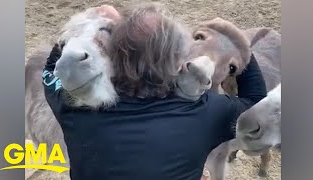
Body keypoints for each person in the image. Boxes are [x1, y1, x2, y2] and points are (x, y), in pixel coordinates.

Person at [42, 3, 267, 180]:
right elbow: (255, 102)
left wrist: (91, 22)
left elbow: (51, 70)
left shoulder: (74, 106)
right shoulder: (205, 112)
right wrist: (238, 44)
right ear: (179, 64)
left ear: (112, 56)